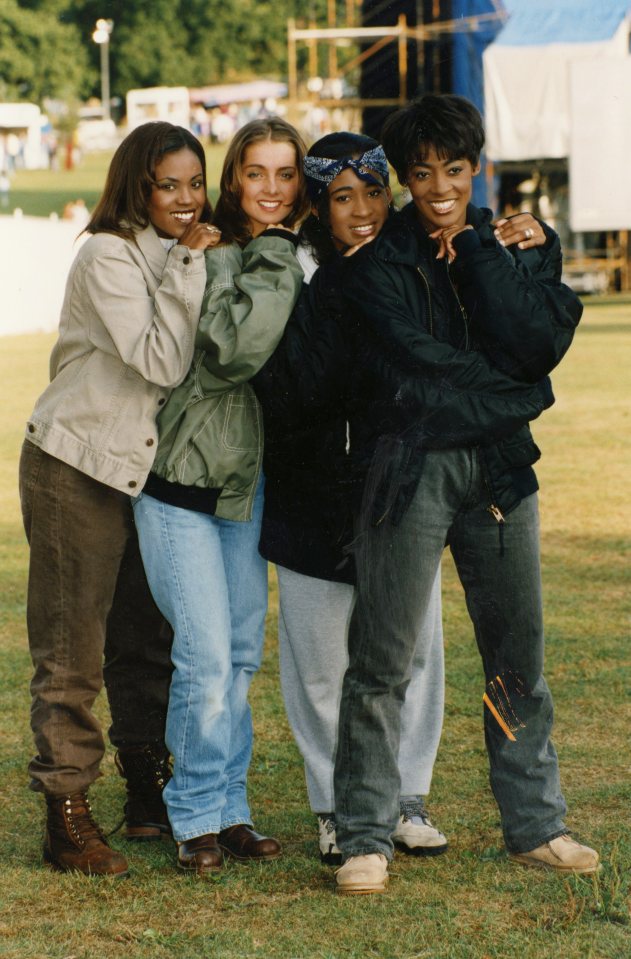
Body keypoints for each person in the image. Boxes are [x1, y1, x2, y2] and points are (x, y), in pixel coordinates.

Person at [330, 94, 599, 894]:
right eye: (421, 173)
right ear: (405, 179)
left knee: (517, 658)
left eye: (453, 169)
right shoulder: (378, 262)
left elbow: (537, 340)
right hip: (408, 467)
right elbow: (415, 373)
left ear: (474, 168)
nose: (439, 186)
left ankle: (536, 825)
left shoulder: (506, 241)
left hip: (499, 473)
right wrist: (519, 395)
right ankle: (365, 837)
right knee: (381, 659)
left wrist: (482, 253)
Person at [19, 122, 218, 876]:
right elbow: (161, 359)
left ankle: (146, 791)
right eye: (168, 184)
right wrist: (197, 263)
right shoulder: (107, 254)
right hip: (77, 464)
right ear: (137, 185)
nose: (184, 198)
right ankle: (66, 812)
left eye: (195, 183)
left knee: (147, 638)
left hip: (148, 472)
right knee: (73, 651)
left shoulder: (182, 250)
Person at [252, 132, 448, 865]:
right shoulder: (289, 268)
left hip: (400, 491)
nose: (360, 210)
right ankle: (336, 806)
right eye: (341, 196)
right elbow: (280, 385)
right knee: (320, 662)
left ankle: (403, 796)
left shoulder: (413, 262)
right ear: (317, 203)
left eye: (372, 191)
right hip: (310, 494)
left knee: (413, 649)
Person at [131, 118, 308, 877]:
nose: (270, 188)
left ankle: (228, 805)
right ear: (233, 177)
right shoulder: (216, 251)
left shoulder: (287, 253)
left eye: (285, 175)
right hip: (179, 483)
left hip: (246, 486)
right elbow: (234, 350)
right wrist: (269, 254)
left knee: (237, 655)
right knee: (204, 655)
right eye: (255, 173)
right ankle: (195, 813)